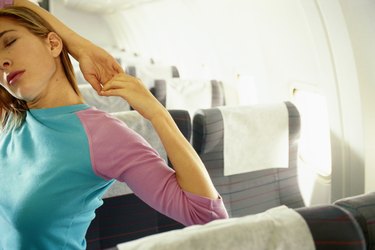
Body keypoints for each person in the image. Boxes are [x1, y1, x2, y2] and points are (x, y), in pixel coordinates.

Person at [0, 1, 228, 249]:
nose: (2, 62)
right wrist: (81, 47)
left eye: (9, 42)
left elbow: (207, 216)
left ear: (53, 43)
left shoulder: (102, 135)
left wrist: (158, 114)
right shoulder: (11, 118)